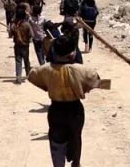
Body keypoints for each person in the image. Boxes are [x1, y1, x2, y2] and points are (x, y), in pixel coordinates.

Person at [28, 35, 102, 167]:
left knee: (56, 141)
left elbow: (31, 75)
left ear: (55, 52)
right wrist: (84, 88)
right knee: (76, 137)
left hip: (56, 110)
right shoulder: (81, 70)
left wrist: (47, 85)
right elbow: (97, 80)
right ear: (72, 54)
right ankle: (76, 163)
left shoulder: (46, 69)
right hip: (75, 111)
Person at [11, 3, 34, 84]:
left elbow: (10, 35)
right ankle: (28, 75)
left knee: (18, 61)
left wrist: (10, 30)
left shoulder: (13, 25)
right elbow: (32, 35)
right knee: (26, 60)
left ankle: (18, 77)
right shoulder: (27, 24)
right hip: (25, 45)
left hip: (17, 45)